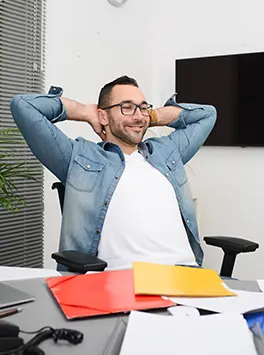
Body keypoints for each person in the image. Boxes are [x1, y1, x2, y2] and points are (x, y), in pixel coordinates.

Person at [10, 75, 217, 271]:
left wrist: (148, 117)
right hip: (124, 281)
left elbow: (207, 114)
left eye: (143, 108)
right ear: (103, 115)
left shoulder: (167, 151)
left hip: (187, 276)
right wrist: (83, 111)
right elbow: (24, 106)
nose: (137, 115)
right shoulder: (79, 158)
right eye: (126, 107)